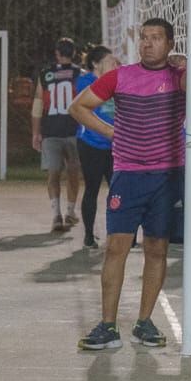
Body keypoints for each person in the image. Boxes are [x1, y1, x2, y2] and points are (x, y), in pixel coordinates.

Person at [69, 17, 185, 351]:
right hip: (128, 175)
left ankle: (144, 322)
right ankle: (108, 326)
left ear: (170, 44)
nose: (148, 43)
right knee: (116, 247)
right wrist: (111, 131)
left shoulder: (179, 77)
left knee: (157, 248)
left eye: (156, 38)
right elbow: (78, 107)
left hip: (167, 176)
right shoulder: (120, 76)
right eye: (144, 38)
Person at [32, 37, 84, 232]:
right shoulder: (80, 74)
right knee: (73, 173)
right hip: (75, 131)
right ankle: (70, 211)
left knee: (53, 173)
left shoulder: (46, 74)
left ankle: (56, 215)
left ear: (56, 53)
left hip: (51, 131)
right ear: (74, 53)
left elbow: (38, 105)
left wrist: (36, 132)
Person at [74, 44, 118, 252]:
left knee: (117, 190)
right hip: (91, 144)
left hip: (114, 144)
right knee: (92, 188)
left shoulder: (115, 81)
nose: (113, 64)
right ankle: (89, 236)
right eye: (109, 61)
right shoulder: (85, 81)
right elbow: (88, 110)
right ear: (95, 63)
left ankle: (118, 234)